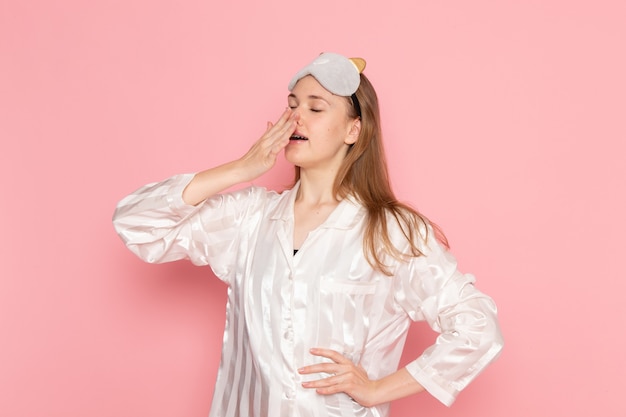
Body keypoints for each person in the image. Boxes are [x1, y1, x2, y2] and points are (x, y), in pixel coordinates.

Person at [113, 52, 503, 417]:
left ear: (354, 129)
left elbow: (477, 327)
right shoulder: (249, 218)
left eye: (316, 108)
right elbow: (137, 222)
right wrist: (239, 169)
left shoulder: (391, 232)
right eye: (293, 105)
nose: (297, 117)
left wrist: (378, 389)